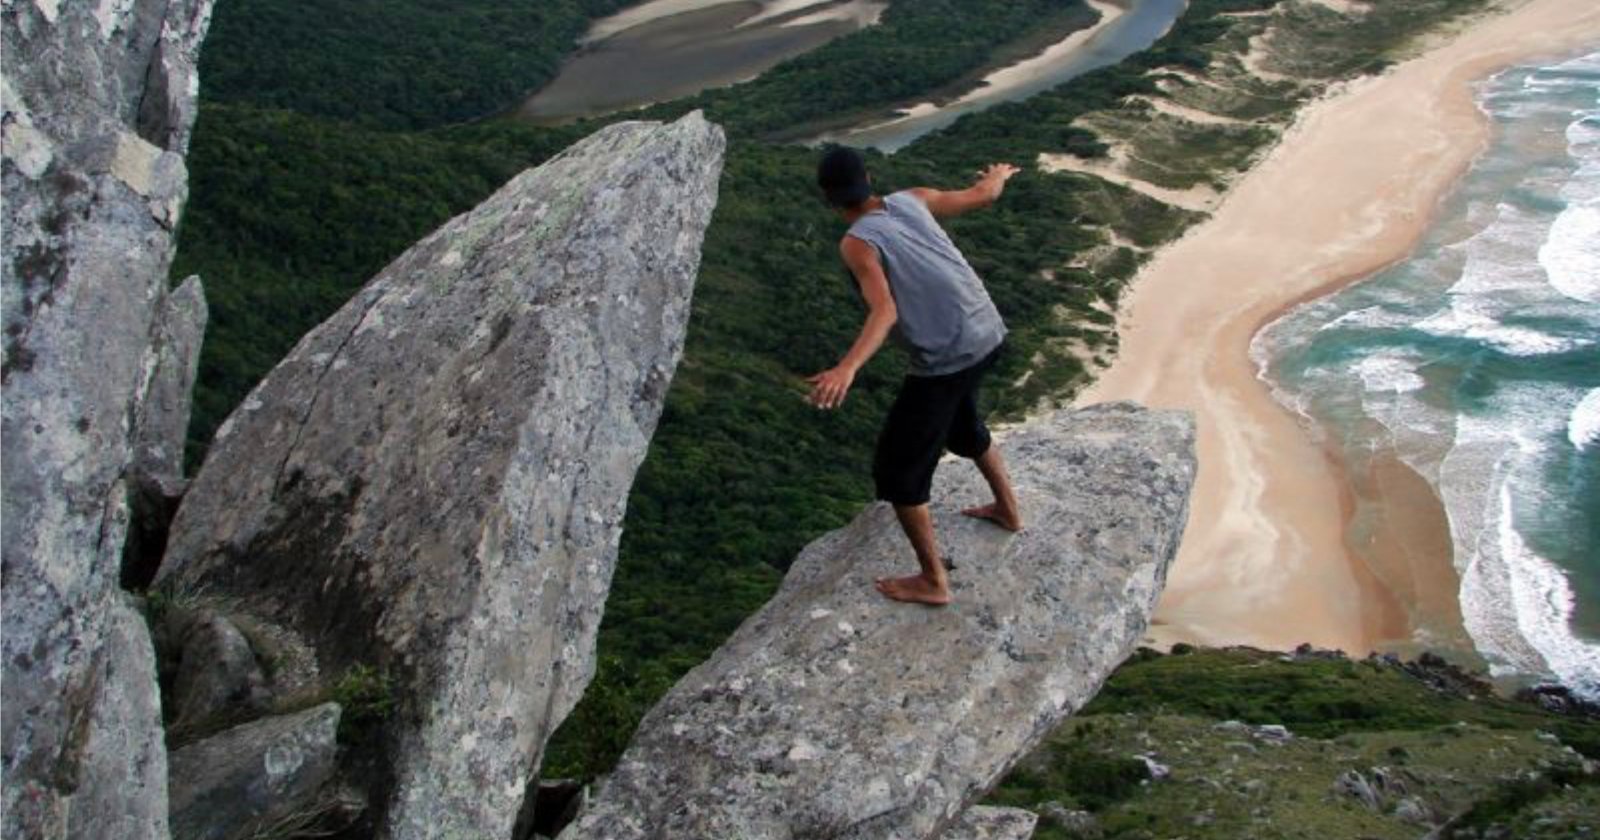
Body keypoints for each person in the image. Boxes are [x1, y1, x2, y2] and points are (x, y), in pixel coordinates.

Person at [806, 145, 1025, 606]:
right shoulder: (914, 198)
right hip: (988, 332)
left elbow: (885, 311)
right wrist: (999, 172)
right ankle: (1007, 510)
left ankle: (933, 580)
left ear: (828, 198)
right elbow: (983, 195)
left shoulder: (857, 243)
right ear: (868, 177)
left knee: (898, 471)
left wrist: (846, 368)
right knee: (963, 425)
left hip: (947, 355)